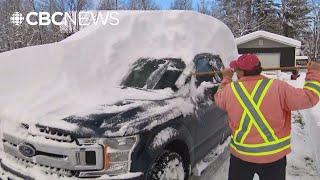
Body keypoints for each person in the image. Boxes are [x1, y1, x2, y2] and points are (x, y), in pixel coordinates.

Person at [214, 54, 320, 180]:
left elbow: (218, 97)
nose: (235, 72)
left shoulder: (230, 90)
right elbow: (309, 98)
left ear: (242, 72)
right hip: (273, 158)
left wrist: (227, 77)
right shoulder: (278, 87)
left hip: (241, 156)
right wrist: (314, 72)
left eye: (236, 69)